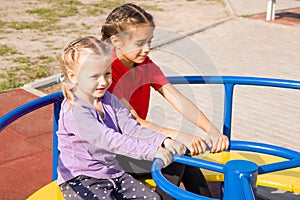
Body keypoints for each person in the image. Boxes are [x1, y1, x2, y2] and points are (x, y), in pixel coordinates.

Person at [101, 3, 230, 199]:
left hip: (133, 142)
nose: (147, 49)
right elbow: (135, 122)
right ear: (116, 41)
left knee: (180, 155)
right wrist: (181, 135)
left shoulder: (145, 64)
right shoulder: (107, 72)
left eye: (149, 41)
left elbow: (175, 97)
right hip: (112, 151)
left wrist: (211, 130)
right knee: (175, 158)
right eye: (139, 43)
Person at [56, 36, 187, 200]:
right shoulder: (75, 110)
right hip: (81, 178)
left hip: (113, 172)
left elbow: (131, 129)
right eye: (94, 76)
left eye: (107, 74)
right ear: (73, 76)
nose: (103, 82)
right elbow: (111, 140)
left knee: (156, 197)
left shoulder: (109, 99)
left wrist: (164, 141)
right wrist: (152, 151)